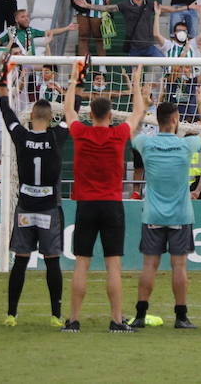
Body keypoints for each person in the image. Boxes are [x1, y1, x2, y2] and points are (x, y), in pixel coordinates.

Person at [61, 61, 146, 333]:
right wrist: (135, 82)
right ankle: (117, 320)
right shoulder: (119, 134)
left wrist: (74, 80)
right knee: (114, 266)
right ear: (111, 115)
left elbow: (67, 110)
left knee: (81, 263)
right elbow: (139, 111)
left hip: (86, 204)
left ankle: (73, 320)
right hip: (111, 204)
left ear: (90, 114)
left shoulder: (81, 133)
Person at [129, 84, 201, 331]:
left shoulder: (147, 144)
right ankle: (181, 316)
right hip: (180, 214)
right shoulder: (186, 146)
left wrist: (143, 105)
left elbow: (132, 128)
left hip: (153, 214)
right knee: (180, 266)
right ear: (176, 120)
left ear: (157, 120)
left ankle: (141, 315)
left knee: (149, 266)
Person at [0, 80, 69, 328]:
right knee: (52, 260)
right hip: (49, 208)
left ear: (31, 117)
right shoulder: (57, 137)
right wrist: (77, 84)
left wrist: (2, 91)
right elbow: (72, 110)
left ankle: (11, 314)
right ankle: (55, 315)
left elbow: (7, 115)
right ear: (51, 118)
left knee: (20, 260)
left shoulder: (21, 136)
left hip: (26, 208)